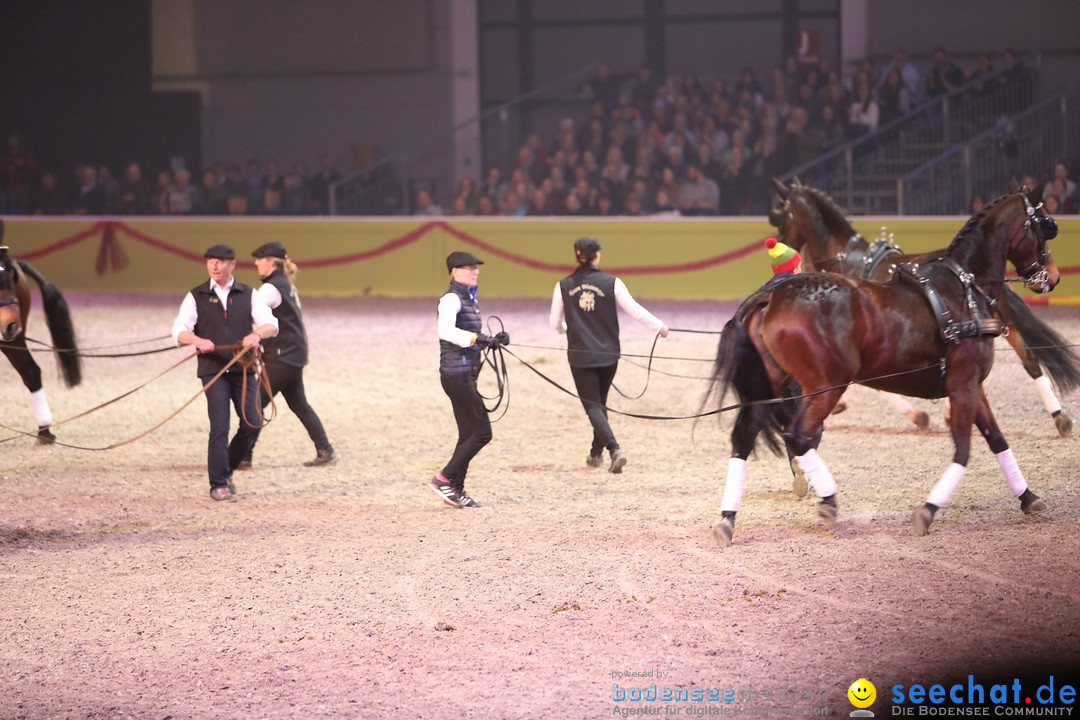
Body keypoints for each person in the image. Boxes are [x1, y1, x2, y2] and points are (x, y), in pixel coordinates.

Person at [549, 237, 669, 472]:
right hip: (608, 355)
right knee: (599, 403)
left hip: (580, 356)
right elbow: (636, 311)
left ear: (577, 256)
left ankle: (614, 449)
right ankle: (595, 453)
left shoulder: (562, 286)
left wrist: (567, 329)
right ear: (597, 256)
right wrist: (660, 327)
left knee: (593, 406)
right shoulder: (612, 283)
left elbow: (554, 323)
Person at [172, 244, 279, 501]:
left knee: (253, 422)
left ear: (232, 264)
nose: (215, 266)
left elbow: (271, 324)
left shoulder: (248, 294)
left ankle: (227, 467)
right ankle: (218, 483)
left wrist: (256, 335)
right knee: (219, 427)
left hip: (243, 369)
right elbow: (178, 330)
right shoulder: (196, 295)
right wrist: (197, 341)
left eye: (220, 262)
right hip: (214, 371)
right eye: (211, 262)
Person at [239, 241, 338, 469]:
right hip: (293, 354)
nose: (256, 264)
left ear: (271, 263)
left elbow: (250, 314)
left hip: (281, 356)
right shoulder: (286, 285)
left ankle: (243, 456)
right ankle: (326, 450)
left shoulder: (269, 289)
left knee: (253, 405)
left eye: (259, 260)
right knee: (299, 403)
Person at [429, 251, 509, 509]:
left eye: (476, 268)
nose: (475, 271)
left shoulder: (468, 299)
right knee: (482, 432)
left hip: (464, 373)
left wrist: (492, 339)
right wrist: (478, 339)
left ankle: (456, 488)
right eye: (469, 268)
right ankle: (444, 478)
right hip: (457, 374)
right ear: (454, 272)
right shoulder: (451, 299)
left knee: (467, 434)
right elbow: (447, 331)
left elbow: (472, 332)